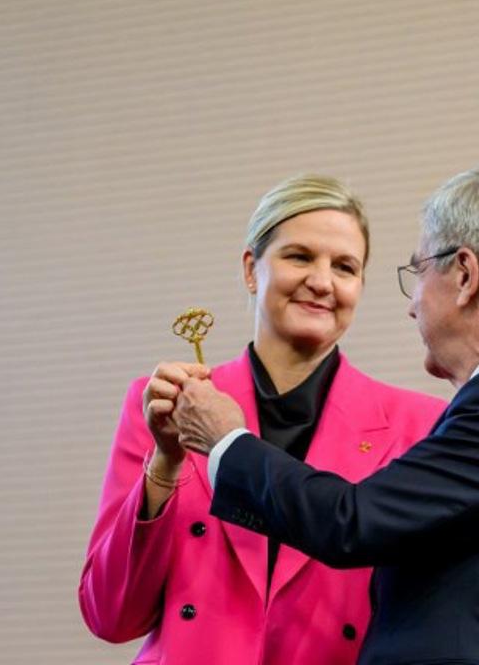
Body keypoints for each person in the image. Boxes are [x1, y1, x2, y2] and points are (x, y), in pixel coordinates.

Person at [174, 164, 479, 664]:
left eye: (418, 272)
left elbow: (350, 523)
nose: (412, 306)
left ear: (464, 275)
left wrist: (225, 440)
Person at [79, 175, 447, 664]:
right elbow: (110, 615)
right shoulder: (163, 405)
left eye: (344, 267)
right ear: (252, 269)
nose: (321, 281)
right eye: (299, 256)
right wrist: (165, 464)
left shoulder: (418, 424)